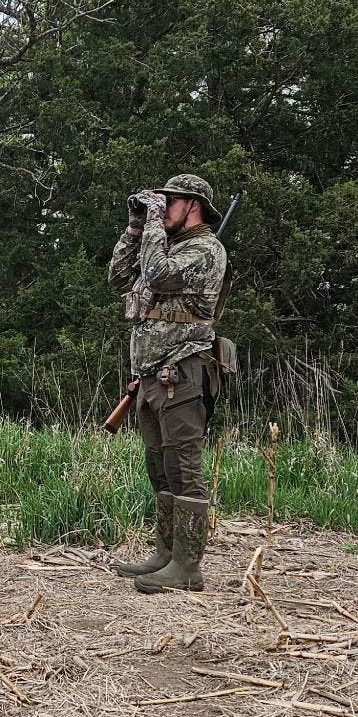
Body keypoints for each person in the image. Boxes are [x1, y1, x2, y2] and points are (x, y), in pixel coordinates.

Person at [107, 174, 228, 593]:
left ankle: (187, 567)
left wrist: (155, 224)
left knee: (184, 469)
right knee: (159, 468)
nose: (161, 208)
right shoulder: (163, 245)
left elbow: (156, 276)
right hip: (151, 377)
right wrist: (136, 227)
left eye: (168, 202)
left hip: (183, 373)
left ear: (191, 205)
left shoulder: (206, 250)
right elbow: (119, 278)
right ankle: (165, 554)